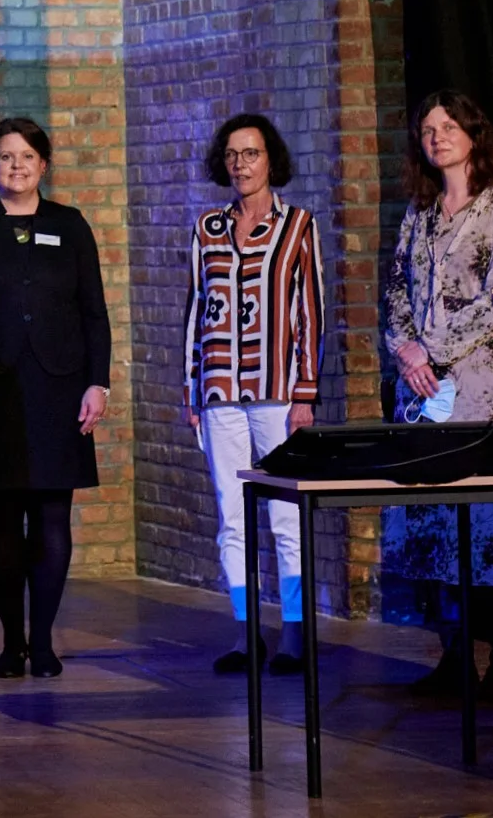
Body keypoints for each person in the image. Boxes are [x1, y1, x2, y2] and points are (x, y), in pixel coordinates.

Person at [0, 117, 111, 680]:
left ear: (44, 165)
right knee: (0, 516)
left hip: (58, 386)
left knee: (51, 516)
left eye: (27, 158)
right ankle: (11, 642)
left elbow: (94, 311)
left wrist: (98, 381)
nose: (16, 166)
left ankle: (43, 642)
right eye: (6, 157)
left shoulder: (70, 224)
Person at [381, 89, 493, 694]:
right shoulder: (419, 211)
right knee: (428, 523)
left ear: (474, 135)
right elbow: (394, 287)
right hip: (421, 392)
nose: (437, 136)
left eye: (448, 126)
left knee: (481, 525)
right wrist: (406, 349)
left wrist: (436, 351)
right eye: (427, 129)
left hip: (480, 388)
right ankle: (450, 658)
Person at [183, 112, 324, 676]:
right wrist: (191, 389)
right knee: (232, 516)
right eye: (233, 155)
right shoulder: (207, 229)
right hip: (218, 390)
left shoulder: (298, 226)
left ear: (271, 160)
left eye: (252, 153)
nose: (241, 164)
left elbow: (308, 313)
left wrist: (305, 393)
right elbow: (195, 309)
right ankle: (247, 634)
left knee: (285, 515)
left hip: (277, 393)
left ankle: (294, 634)